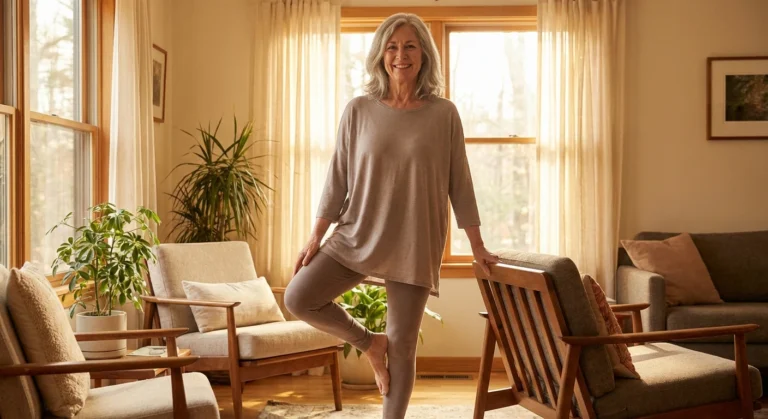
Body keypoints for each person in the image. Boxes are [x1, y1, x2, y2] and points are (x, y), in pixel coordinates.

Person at [283, 12, 498, 419]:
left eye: (410, 46)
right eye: (392, 46)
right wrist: (316, 236)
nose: (401, 55)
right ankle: (370, 343)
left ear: (424, 55)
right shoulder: (359, 110)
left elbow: (461, 184)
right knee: (298, 296)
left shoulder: (443, 114)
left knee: (403, 344)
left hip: (414, 241)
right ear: (381, 54)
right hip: (357, 233)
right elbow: (337, 178)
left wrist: (478, 246)